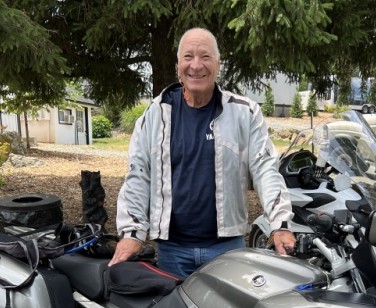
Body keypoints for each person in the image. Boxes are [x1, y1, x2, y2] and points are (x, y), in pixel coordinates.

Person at [110, 28, 295, 278]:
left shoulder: (245, 113)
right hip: (172, 252)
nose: (196, 66)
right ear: (178, 66)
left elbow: (265, 169)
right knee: (174, 306)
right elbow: (138, 174)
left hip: (227, 249)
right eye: (188, 57)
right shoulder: (155, 114)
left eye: (205, 56)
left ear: (218, 64)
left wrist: (280, 224)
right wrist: (132, 233)